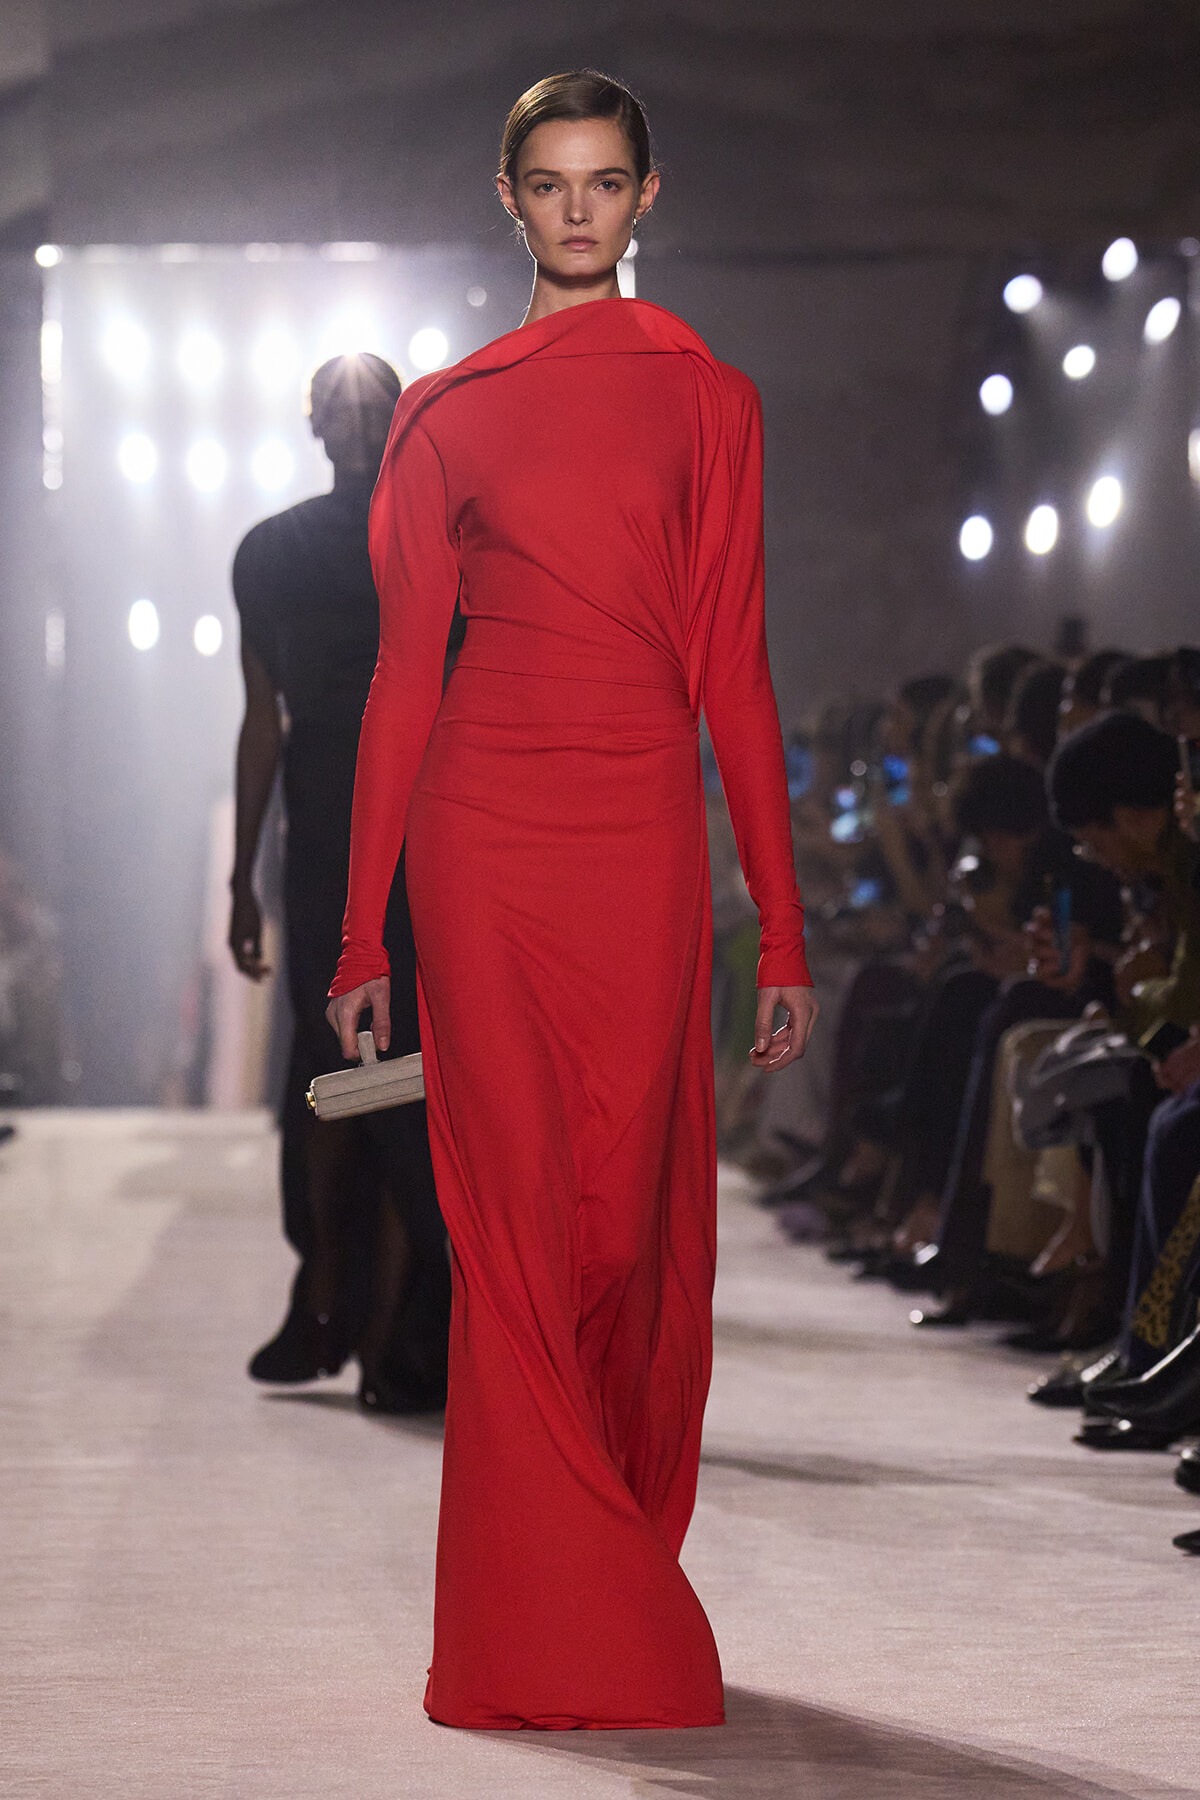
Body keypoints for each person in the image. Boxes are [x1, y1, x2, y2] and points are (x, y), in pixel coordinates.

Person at [327, 70, 817, 1731]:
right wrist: (360, 928)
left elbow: (736, 671)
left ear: (646, 195)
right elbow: (404, 678)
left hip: (641, 831)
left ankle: (586, 1567)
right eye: (552, 183)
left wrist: (784, 924)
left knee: (623, 1221)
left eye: (606, 181)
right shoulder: (447, 411)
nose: (580, 208)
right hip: (482, 835)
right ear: (511, 199)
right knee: (520, 1217)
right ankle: (548, 1627)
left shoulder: (712, 401)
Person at [231, 353, 451, 1414]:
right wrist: (241, 876)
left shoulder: (437, 537)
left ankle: (374, 1313)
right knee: (353, 1065)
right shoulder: (274, 552)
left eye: (371, 405)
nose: (357, 421)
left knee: (385, 1069)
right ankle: (348, 1298)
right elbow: (260, 721)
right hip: (339, 832)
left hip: (407, 831)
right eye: (343, 405)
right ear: (313, 424)